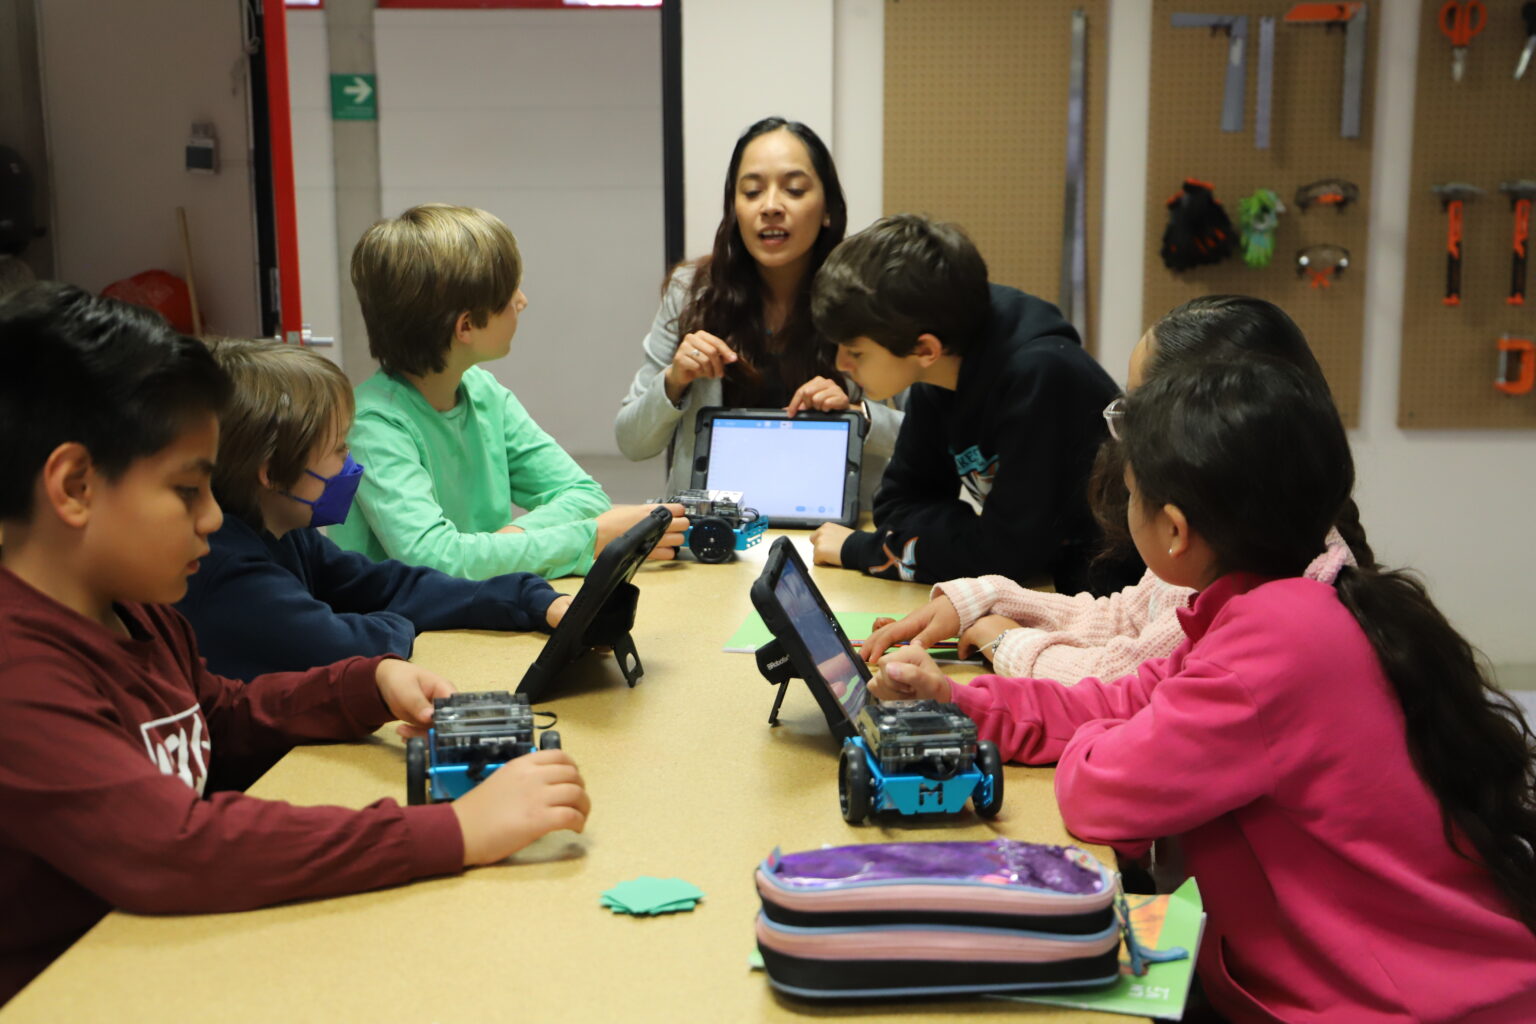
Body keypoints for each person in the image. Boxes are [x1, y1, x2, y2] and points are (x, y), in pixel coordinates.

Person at [871, 357, 1536, 1023]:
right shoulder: (1277, 607)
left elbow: (1102, 794)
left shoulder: (1277, 644)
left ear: (1175, 529)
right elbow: (1119, 701)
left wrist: (1123, 737)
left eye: (1131, 495)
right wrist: (958, 705)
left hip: (1398, 1007)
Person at [0, 285, 591, 1006]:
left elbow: (219, 716)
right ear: (74, 486)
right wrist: (452, 831)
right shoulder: (20, 672)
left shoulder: (135, 610)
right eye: (187, 491)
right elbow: (173, 846)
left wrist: (364, 685)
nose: (213, 519)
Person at [860, 296, 1371, 680]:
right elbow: (1125, 616)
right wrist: (985, 599)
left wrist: (1007, 644)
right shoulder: (1242, 533)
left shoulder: (1256, 583)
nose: (1123, 433)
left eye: (1137, 408)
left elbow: (1123, 682)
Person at [178, 338, 572, 684]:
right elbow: (346, 645)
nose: (350, 462)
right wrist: (400, 620)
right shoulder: (228, 571)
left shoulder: (284, 529)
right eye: (338, 449)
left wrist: (529, 598)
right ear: (273, 474)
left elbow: (385, 587)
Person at [330, 203, 685, 579]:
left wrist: (501, 543)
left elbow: (584, 495)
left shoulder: (482, 391)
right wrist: (590, 539)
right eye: (509, 294)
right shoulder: (374, 423)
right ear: (466, 326)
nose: (522, 301)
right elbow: (437, 561)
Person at [807, 214, 1139, 595]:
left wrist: (862, 549)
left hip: (1112, 597)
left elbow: (1005, 558)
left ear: (925, 348)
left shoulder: (1041, 375)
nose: (841, 364)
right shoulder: (938, 370)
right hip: (1048, 586)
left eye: (855, 352)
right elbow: (896, 506)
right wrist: (973, 540)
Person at [615, 117, 905, 510]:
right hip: (715, 530)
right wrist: (674, 380)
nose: (770, 207)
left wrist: (860, 418)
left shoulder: (870, 295)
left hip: (836, 531)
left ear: (828, 209)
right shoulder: (691, 292)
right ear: (734, 208)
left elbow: (936, 437)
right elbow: (631, 441)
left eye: (794, 189)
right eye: (752, 192)